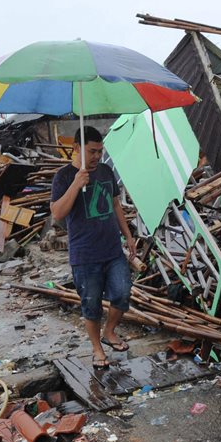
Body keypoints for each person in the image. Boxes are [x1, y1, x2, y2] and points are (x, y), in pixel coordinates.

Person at [49, 126, 137, 369]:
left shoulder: (106, 171)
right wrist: (77, 184)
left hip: (112, 250)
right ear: (76, 148)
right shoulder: (64, 176)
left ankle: (109, 331)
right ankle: (97, 348)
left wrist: (128, 236)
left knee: (122, 293)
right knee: (91, 303)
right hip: (85, 255)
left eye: (100, 151)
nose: (98, 156)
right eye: (92, 151)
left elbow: (116, 204)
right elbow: (57, 213)